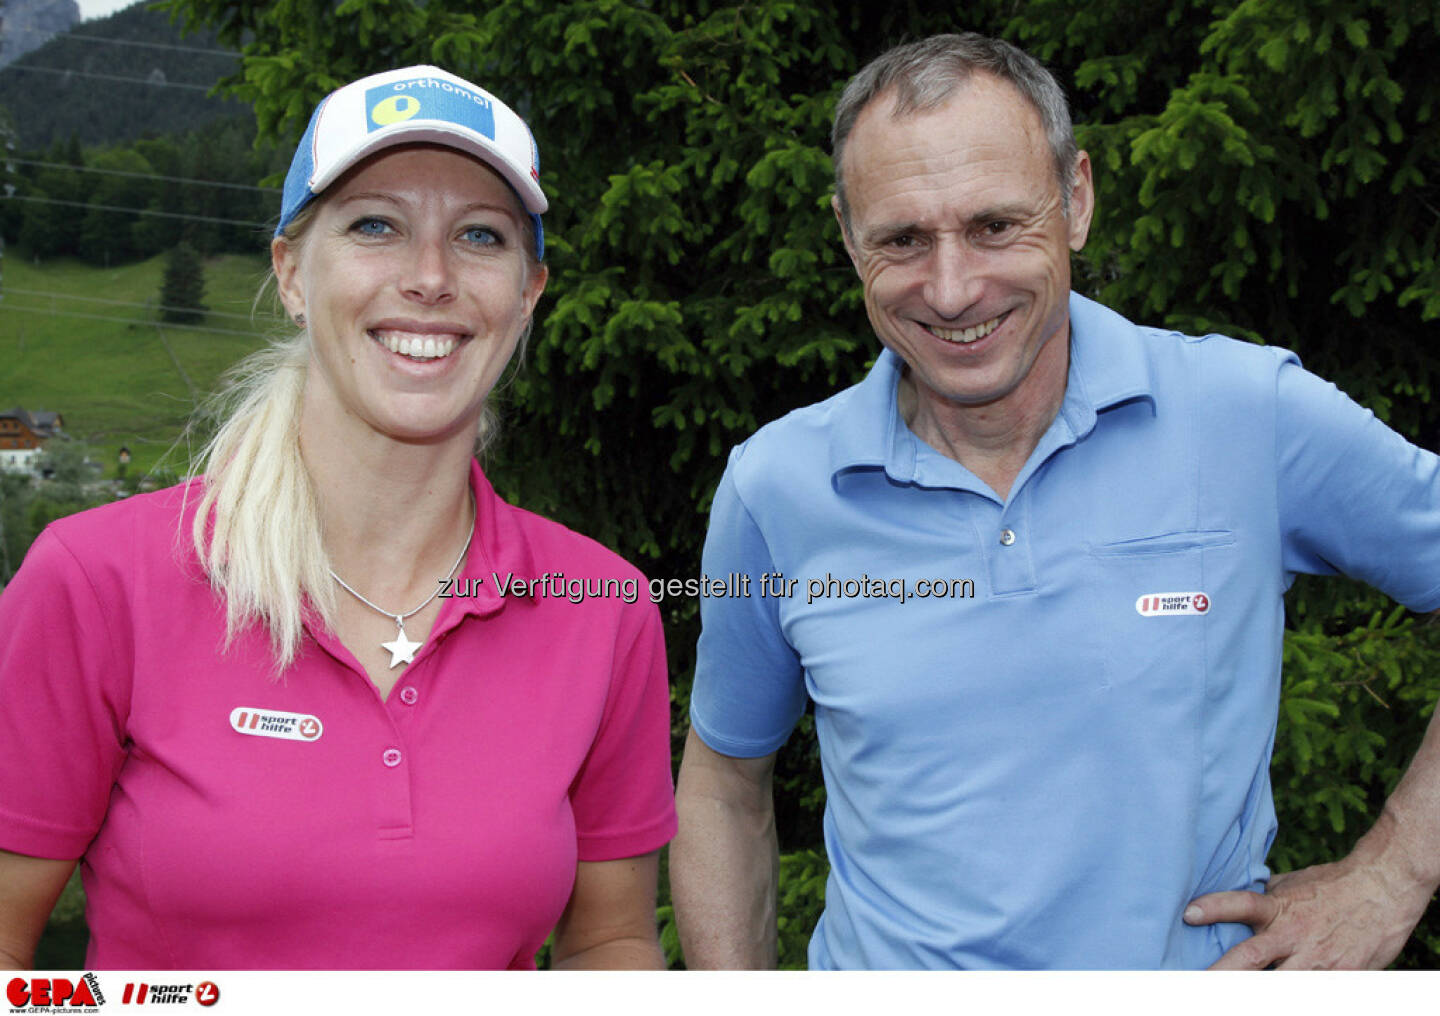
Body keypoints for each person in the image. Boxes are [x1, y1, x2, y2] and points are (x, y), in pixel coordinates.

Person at [671, 33, 1440, 969]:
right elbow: (721, 783)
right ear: (846, 236)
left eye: (995, 226)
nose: (953, 290)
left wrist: (1396, 870)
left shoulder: (1247, 418)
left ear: (1075, 199)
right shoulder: (777, 487)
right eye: (903, 239)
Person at [0, 66, 676, 970]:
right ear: (290, 272)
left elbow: (611, 940)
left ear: (528, 295)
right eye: (375, 225)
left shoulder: (603, 607)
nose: (429, 277)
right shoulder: (96, 580)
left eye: (479, 235)